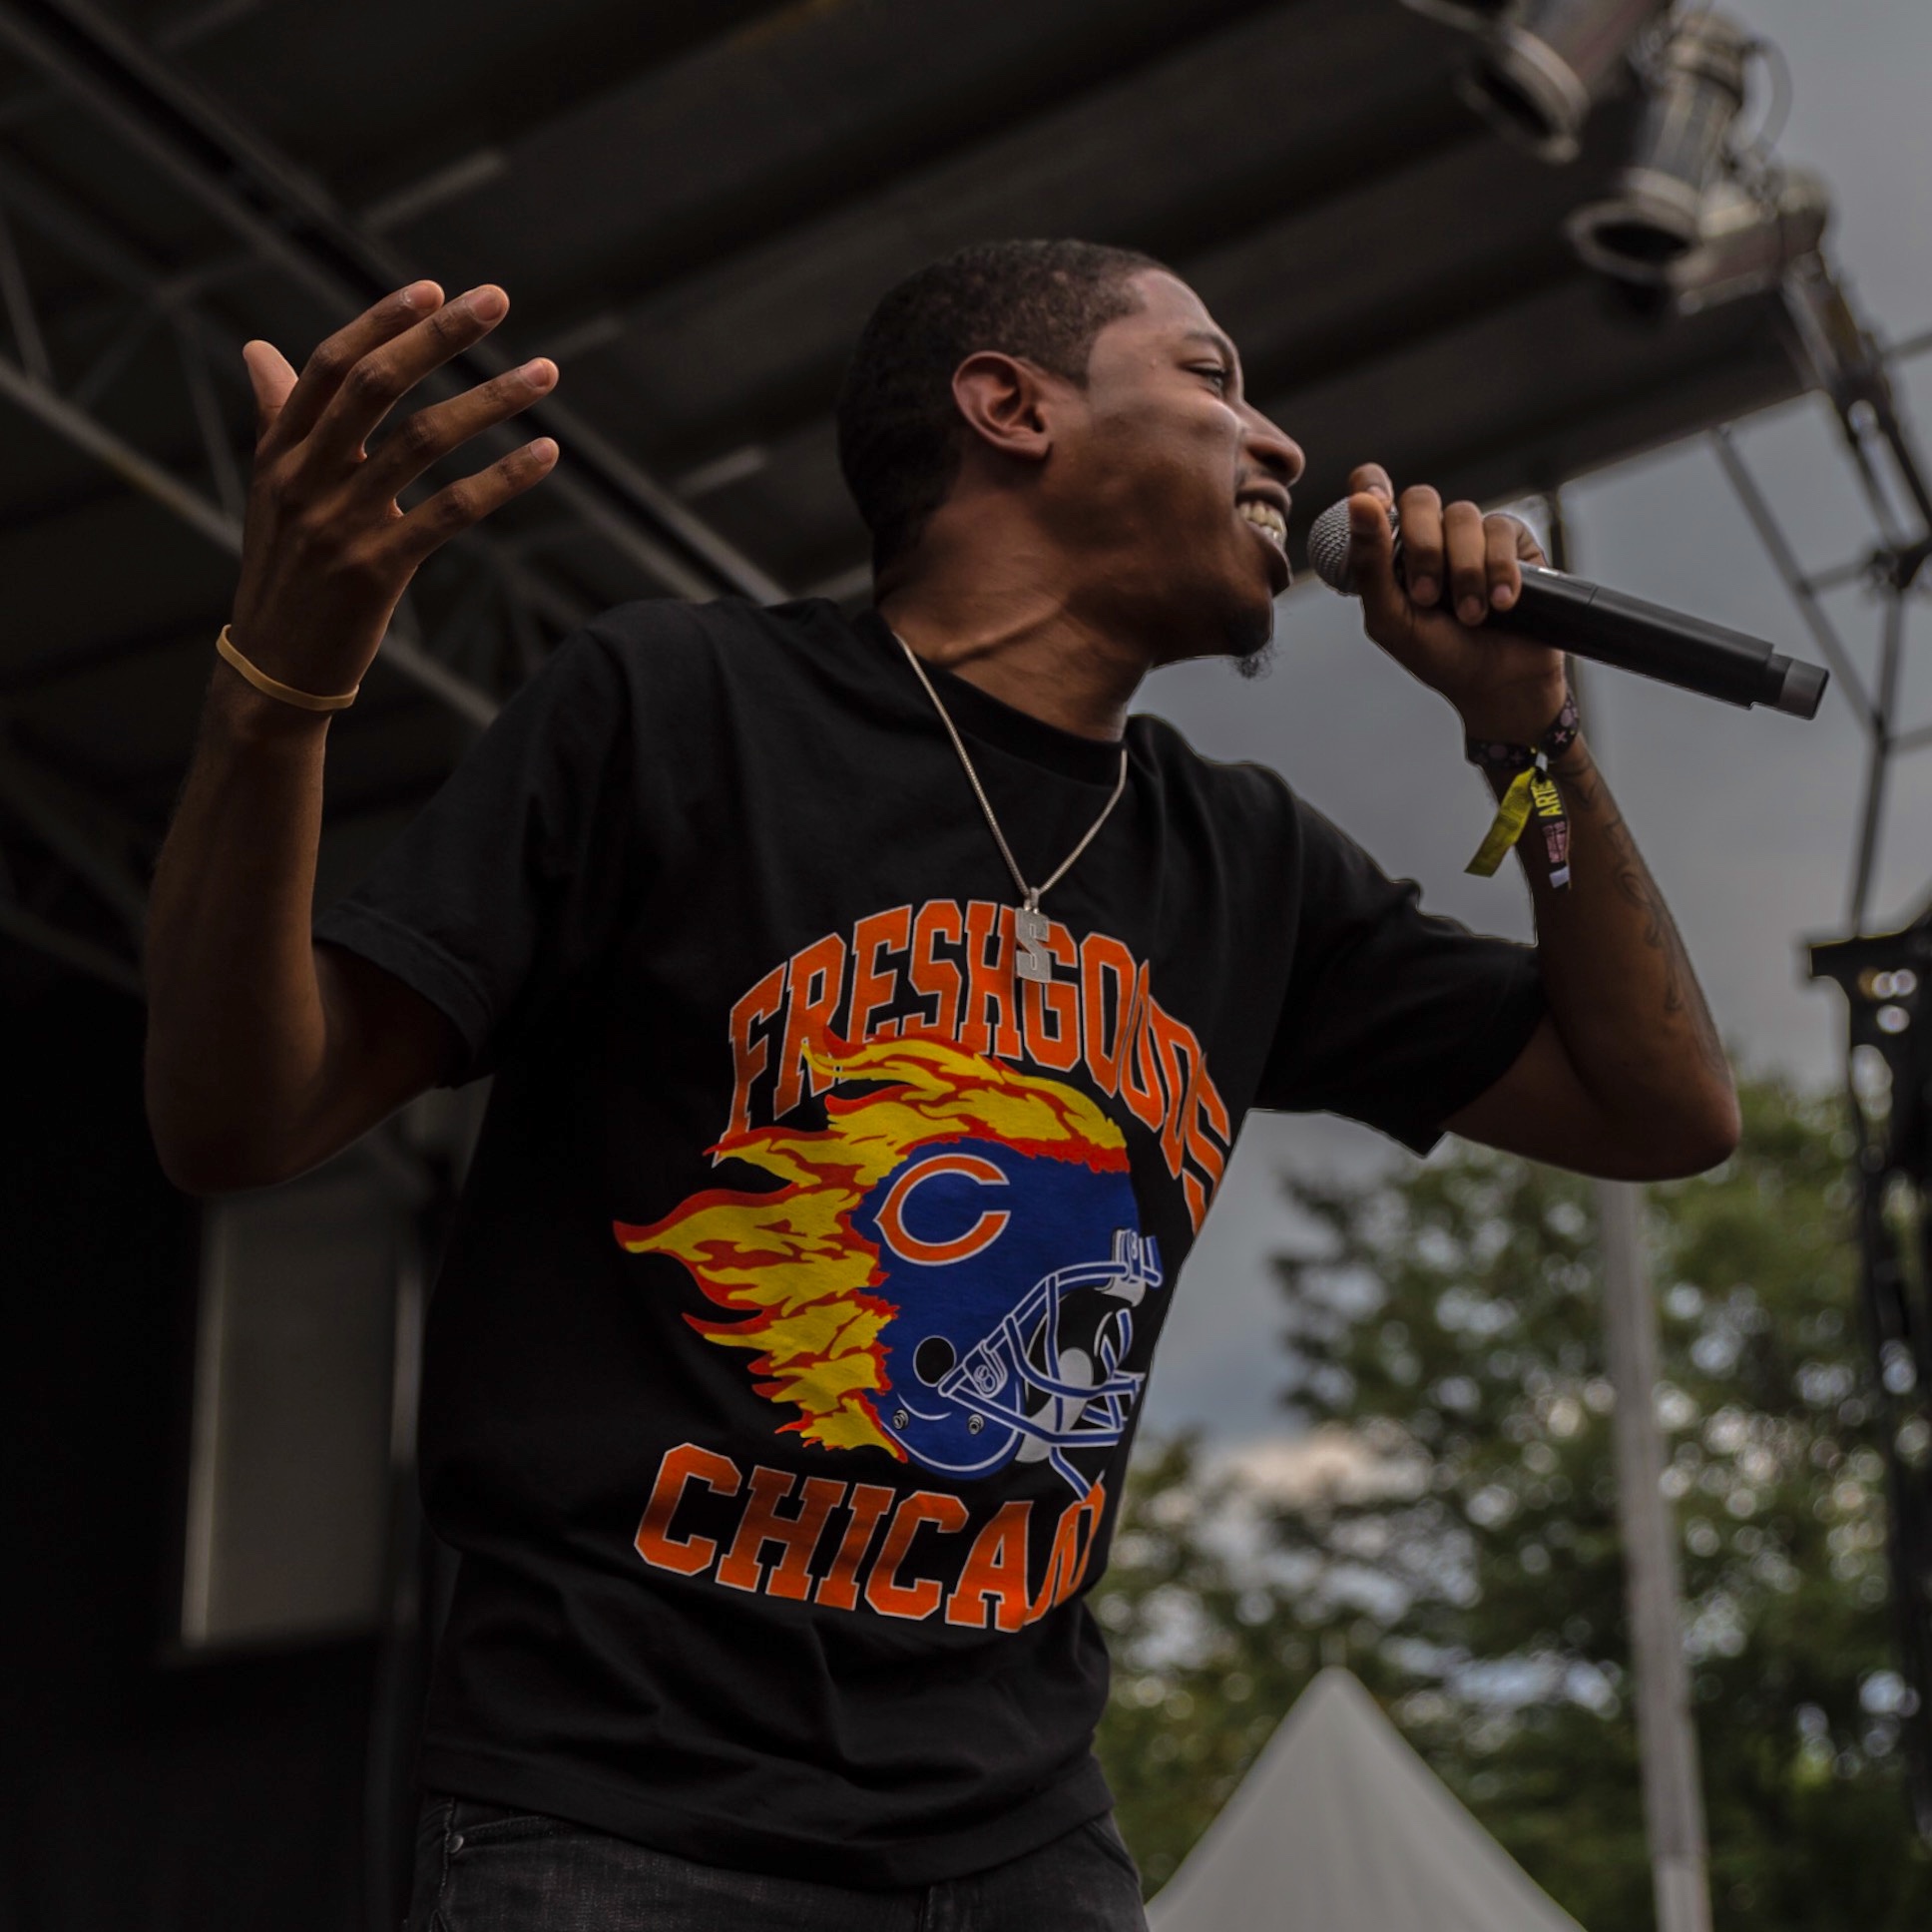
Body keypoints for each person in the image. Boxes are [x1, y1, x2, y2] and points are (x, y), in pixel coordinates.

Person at [143, 240, 1738, 1930]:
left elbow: (1663, 1111)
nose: (1280, 443)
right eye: (1211, 378)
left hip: (1019, 1836)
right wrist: (278, 691)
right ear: (1009, 406)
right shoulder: (681, 708)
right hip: (624, 1813)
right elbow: (245, 1116)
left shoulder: (1245, 863)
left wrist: (1530, 742)